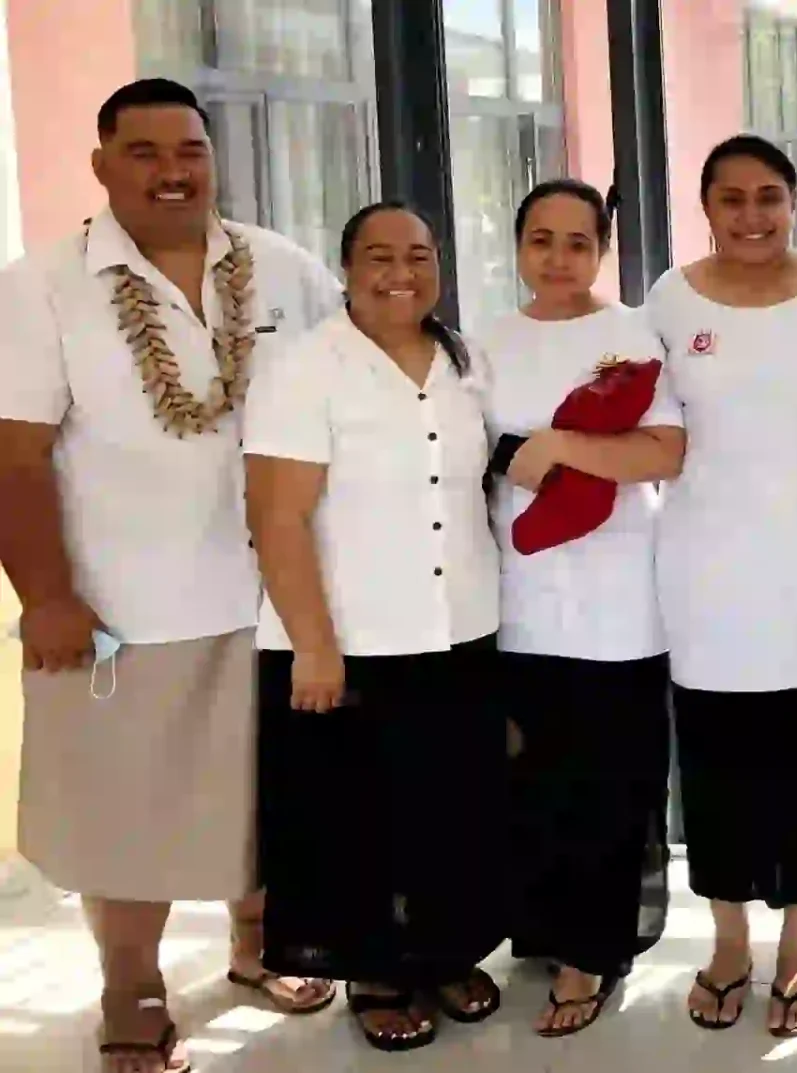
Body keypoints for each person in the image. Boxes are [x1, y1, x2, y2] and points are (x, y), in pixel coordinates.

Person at [0, 78, 339, 1073]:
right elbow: (15, 458)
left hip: (277, 591)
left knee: (266, 789)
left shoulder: (282, 269)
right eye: (142, 152)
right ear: (101, 166)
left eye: (187, 148)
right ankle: (132, 984)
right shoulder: (41, 285)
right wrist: (47, 597)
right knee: (126, 807)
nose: (170, 170)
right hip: (122, 605)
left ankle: (256, 942)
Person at [244, 202, 506, 1053]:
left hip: (459, 625)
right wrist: (314, 645)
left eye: (421, 254)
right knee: (353, 818)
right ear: (346, 266)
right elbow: (277, 516)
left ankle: (445, 951)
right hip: (349, 637)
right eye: (380, 255)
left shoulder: (463, 359)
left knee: (454, 809)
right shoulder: (303, 366)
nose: (403, 271)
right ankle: (376, 969)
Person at [646, 135, 797, 1039]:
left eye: (768, 196)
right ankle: (729, 935)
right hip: (703, 559)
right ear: (707, 206)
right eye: (732, 198)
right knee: (716, 752)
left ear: (794, 200)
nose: (752, 215)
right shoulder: (669, 297)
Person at [475, 179, 685, 1037]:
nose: (557, 259)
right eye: (540, 240)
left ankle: (593, 950)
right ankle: (544, 927)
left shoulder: (631, 333)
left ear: (602, 249)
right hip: (515, 599)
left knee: (610, 783)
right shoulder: (484, 340)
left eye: (576, 242)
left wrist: (558, 446)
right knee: (534, 778)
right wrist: (516, 457)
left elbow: (664, 452)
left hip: (617, 600)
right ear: (517, 247)